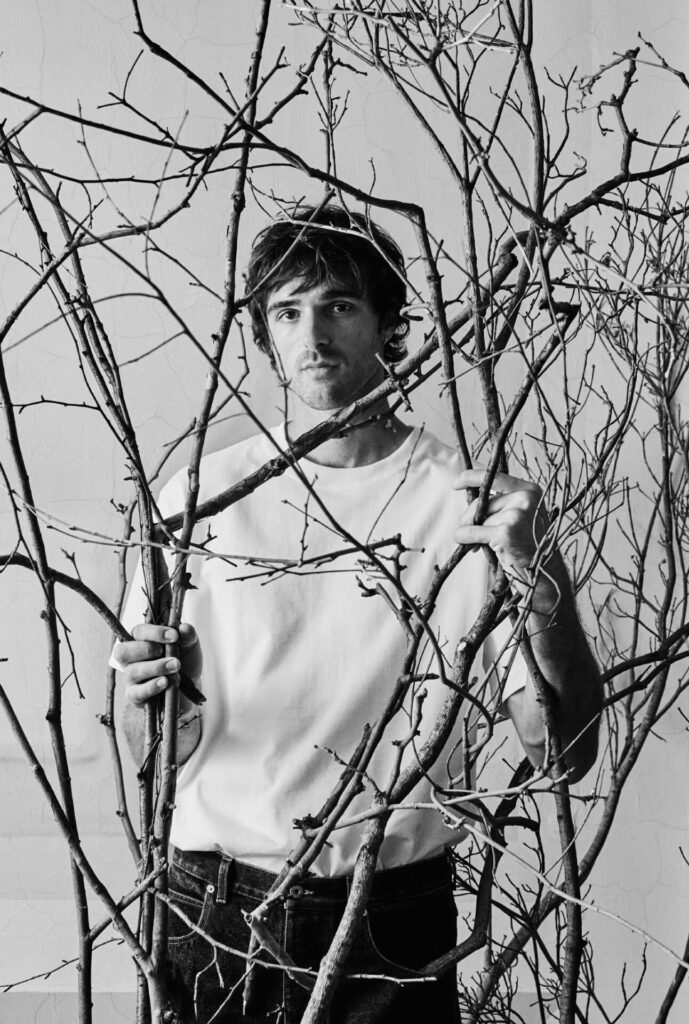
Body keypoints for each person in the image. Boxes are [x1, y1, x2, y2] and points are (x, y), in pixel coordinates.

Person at [112, 205, 603, 1023]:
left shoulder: (469, 507)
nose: (312, 336)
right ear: (263, 336)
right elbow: (153, 761)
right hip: (214, 910)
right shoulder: (198, 499)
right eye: (286, 311)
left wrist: (536, 569)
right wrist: (151, 700)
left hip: (394, 917)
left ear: (388, 323)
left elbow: (562, 753)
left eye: (338, 305)